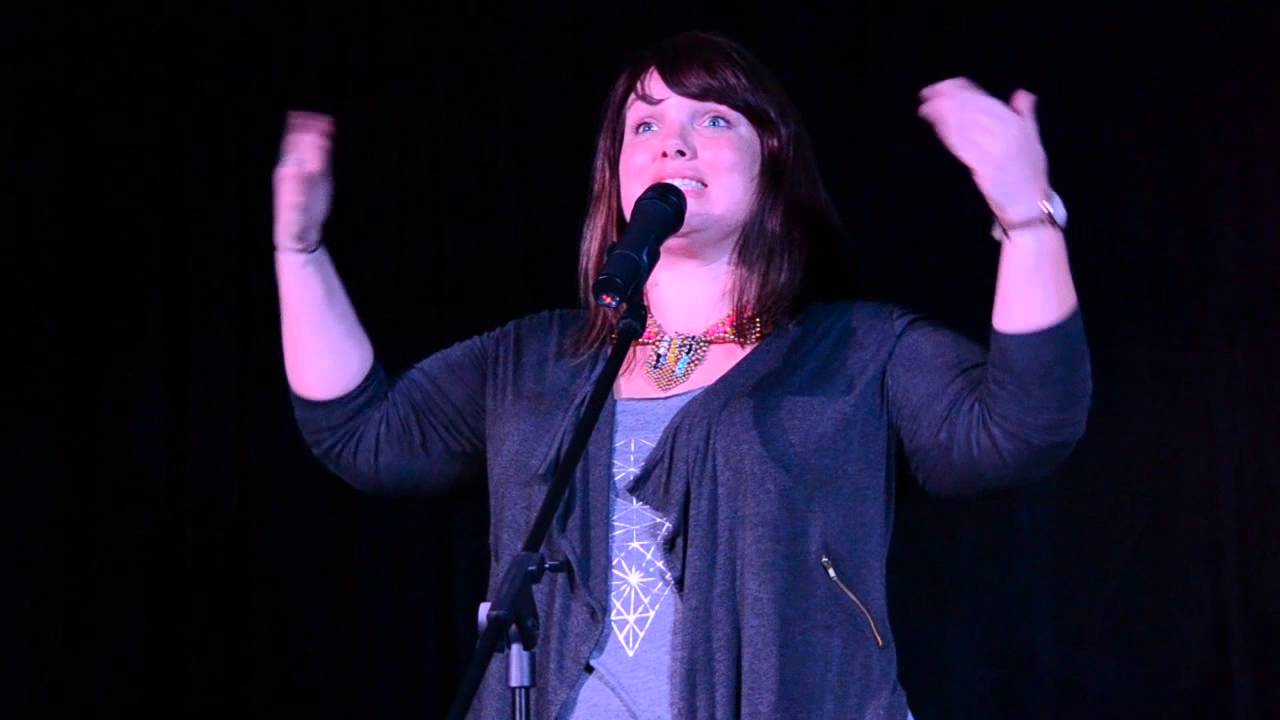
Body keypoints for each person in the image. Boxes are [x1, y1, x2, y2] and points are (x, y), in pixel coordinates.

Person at [274, 31, 1091, 720]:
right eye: (645, 123)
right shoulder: (532, 362)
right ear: (616, 170)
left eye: (714, 118)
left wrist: (1027, 218)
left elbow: (1024, 427)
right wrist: (299, 250)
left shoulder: (856, 354)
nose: (674, 142)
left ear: (771, 158)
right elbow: (362, 433)